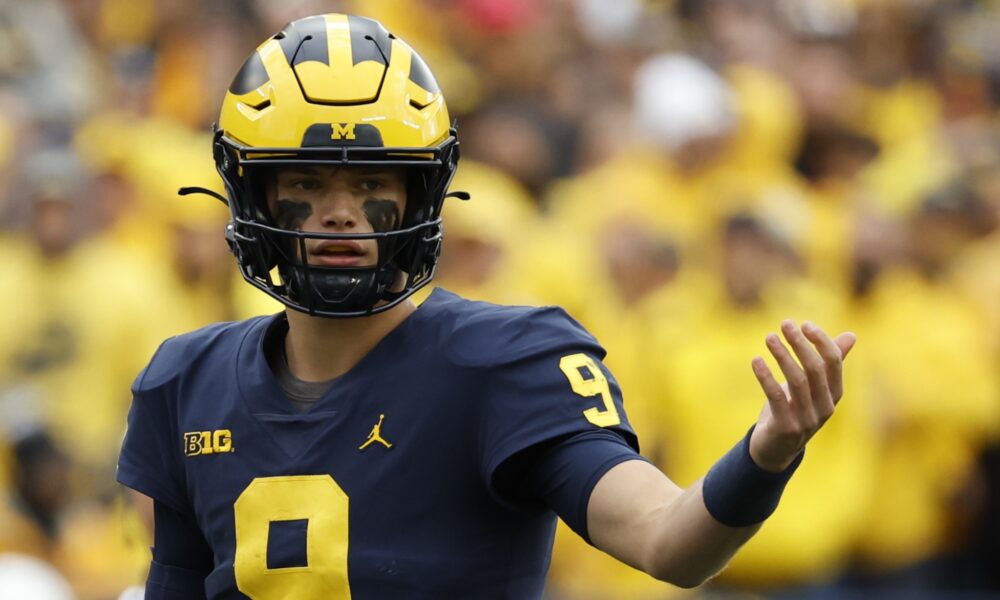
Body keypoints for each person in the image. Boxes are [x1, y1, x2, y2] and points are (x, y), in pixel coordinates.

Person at [117, 13, 856, 599]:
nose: (339, 213)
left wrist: (767, 452)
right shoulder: (184, 382)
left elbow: (668, 541)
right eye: (304, 183)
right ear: (252, 193)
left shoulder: (504, 362)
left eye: (374, 184)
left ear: (422, 194)